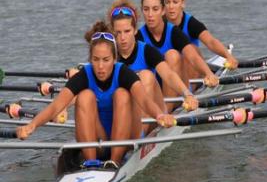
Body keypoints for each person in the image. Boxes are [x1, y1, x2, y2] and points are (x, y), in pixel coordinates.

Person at [16, 21, 175, 168]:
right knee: (85, 96)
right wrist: (32, 125)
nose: (100, 66)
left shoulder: (124, 73)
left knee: (122, 94)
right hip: (100, 140)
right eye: (95, 60)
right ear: (90, 59)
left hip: (127, 138)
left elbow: (145, 101)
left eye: (106, 60)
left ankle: (116, 161)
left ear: (114, 59)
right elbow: (56, 106)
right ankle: (91, 162)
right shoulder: (85, 75)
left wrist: (160, 115)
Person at [107, 0, 199, 114]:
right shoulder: (106, 56)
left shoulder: (146, 51)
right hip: (126, 113)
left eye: (127, 31)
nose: (122, 38)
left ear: (135, 30)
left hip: (152, 112)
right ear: (112, 33)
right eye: (118, 33)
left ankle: (149, 128)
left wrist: (187, 94)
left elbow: (169, 75)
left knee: (145, 76)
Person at [136, 0, 219, 94]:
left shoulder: (173, 32)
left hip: (179, 91)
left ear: (163, 10)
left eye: (155, 9)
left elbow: (192, 56)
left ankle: (180, 102)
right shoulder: (137, 37)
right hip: (155, 92)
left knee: (172, 55)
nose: (150, 15)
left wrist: (209, 74)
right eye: (146, 9)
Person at [163, 0, 239, 80]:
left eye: (175, 2)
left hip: (190, 73)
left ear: (183, 2)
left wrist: (228, 57)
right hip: (168, 74)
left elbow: (210, 42)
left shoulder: (191, 24)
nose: (171, 7)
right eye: (167, 2)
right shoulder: (157, 25)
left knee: (191, 50)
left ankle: (193, 90)